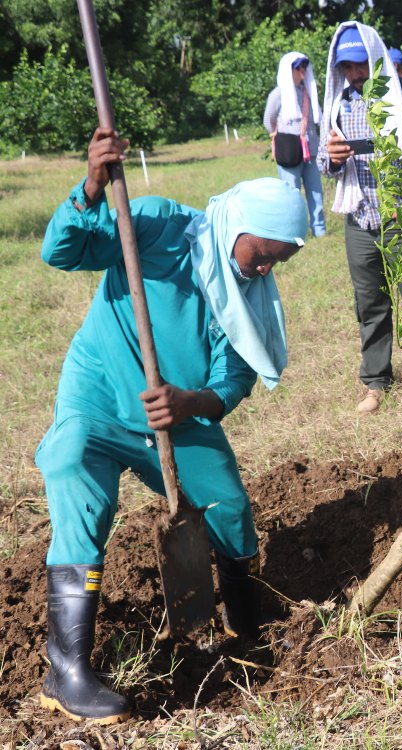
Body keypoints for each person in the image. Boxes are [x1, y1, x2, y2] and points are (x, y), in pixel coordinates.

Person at [35, 126, 308, 724]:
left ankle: (245, 621)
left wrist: (192, 403)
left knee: (228, 505)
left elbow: (232, 379)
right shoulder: (158, 225)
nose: (263, 269)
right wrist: (91, 187)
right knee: (73, 464)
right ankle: (67, 668)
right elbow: (61, 252)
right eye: (261, 252)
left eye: (277, 261)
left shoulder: (244, 294)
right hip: (102, 398)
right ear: (238, 225)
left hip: (175, 415)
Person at [318, 23, 402, 415]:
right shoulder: (339, 103)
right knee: (369, 302)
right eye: (347, 67)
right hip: (360, 218)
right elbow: (325, 163)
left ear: (374, 59)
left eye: (360, 65)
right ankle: (375, 381)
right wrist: (333, 160)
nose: (355, 74)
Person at [263, 52, 326, 238]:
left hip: (311, 150)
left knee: (316, 192)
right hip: (289, 151)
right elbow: (269, 120)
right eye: (298, 67)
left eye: (304, 67)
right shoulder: (278, 94)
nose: (302, 71)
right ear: (288, 70)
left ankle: (319, 230)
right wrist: (283, 134)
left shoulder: (308, 92)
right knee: (291, 193)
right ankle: (294, 231)